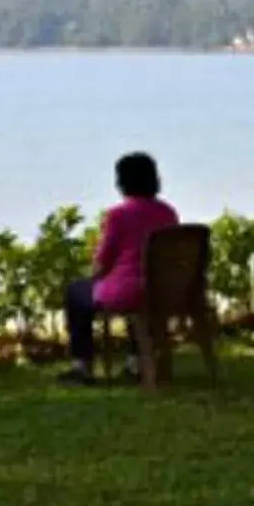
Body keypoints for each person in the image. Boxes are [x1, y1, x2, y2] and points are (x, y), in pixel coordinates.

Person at [63, 151, 178, 384]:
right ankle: (135, 362)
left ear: (122, 182)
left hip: (129, 292)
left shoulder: (118, 215)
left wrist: (95, 276)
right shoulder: (168, 212)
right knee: (137, 295)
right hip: (162, 290)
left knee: (76, 292)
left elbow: (103, 261)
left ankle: (82, 366)